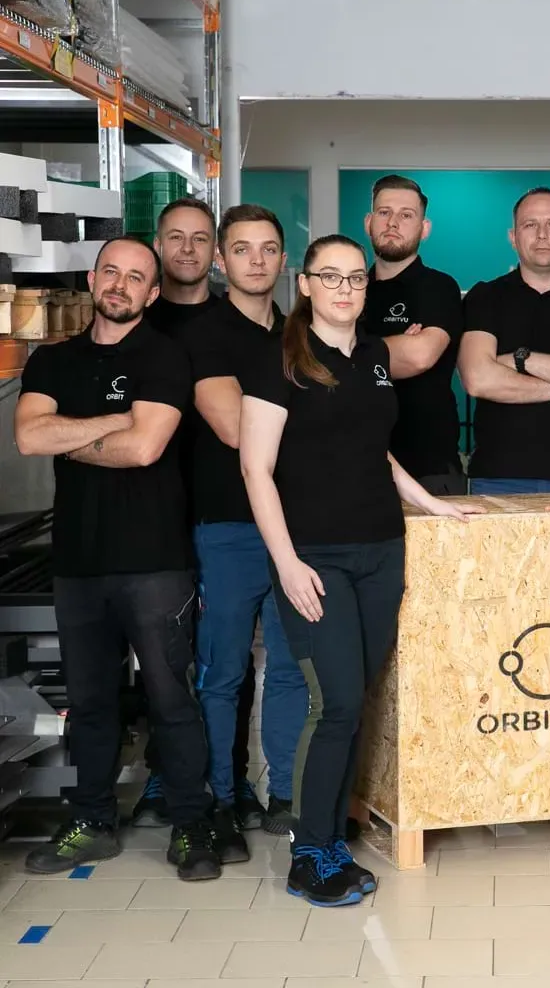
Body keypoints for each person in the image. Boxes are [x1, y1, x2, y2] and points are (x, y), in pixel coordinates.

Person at [239, 233, 482, 906]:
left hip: (381, 550)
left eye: (355, 278)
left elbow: (374, 450)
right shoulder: (278, 360)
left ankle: (333, 841)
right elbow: (255, 468)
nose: (344, 289)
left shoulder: (374, 356)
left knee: (357, 699)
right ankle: (308, 851)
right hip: (315, 559)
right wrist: (287, 563)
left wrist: (429, 502)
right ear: (305, 284)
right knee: (336, 702)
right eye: (330, 276)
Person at [14, 237, 221, 881]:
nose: (121, 284)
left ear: (152, 293)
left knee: (171, 698)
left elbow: (145, 449)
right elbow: (28, 436)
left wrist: (71, 433)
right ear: (92, 278)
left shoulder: (165, 355)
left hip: (155, 560)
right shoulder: (52, 360)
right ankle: (92, 822)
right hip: (78, 561)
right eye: (112, 272)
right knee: (89, 701)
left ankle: (191, 824)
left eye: (136, 277)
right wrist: (114, 421)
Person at [173, 204, 309, 858]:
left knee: (289, 668)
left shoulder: (300, 332)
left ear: (283, 260)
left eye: (269, 248)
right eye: (243, 248)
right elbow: (232, 429)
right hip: (227, 526)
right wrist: (312, 428)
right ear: (223, 261)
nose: (257, 260)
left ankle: (284, 792)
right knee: (222, 672)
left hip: (298, 526)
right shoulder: (203, 332)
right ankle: (221, 800)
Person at [133, 197, 257, 830]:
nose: (187, 249)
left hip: (218, 509)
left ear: (216, 253)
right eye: (175, 238)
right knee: (165, 656)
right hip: (151, 510)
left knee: (225, 660)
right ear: (158, 245)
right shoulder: (138, 323)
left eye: (200, 239)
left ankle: (230, 779)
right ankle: (168, 774)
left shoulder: (233, 321)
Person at [458, 187, 550, 494]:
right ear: (513, 237)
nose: (542, 234)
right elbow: (478, 379)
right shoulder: (485, 297)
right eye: (530, 224)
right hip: (497, 477)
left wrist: (519, 360)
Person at [363, 174, 466, 494]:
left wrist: (347, 353)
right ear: (369, 222)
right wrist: (397, 346)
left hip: (430, 469)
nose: (393, 222)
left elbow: (421, 356)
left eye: (406, 215)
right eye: (384, 212)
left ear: (424, 228)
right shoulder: (351, 289)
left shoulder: (439, 287)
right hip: (357, 465)